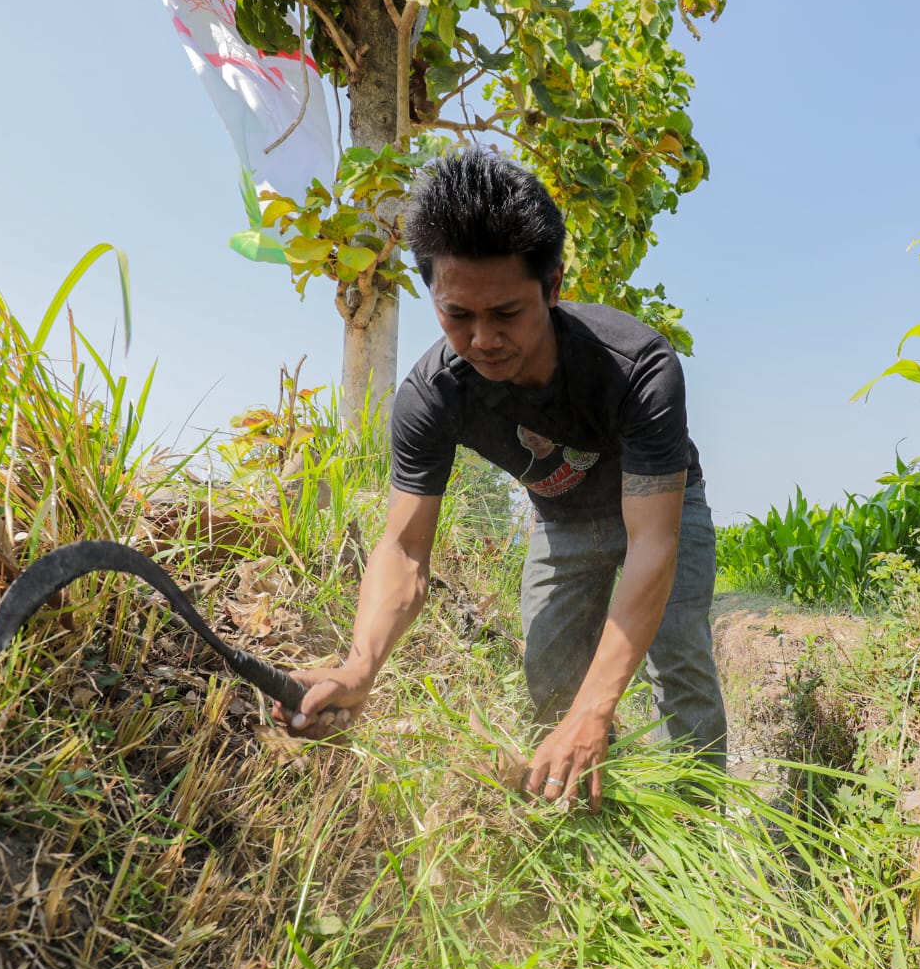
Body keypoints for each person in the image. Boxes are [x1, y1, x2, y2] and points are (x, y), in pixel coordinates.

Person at [274, 147, 727, 813]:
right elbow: (404, 549)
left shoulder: (637, 366)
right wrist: (360, 665)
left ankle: (698, 832)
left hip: (663, 512)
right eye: (458, 315)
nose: (483, 340)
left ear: (552, 286)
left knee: (678, 662)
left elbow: (652, 546)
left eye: (507, 313)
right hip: (562, 520)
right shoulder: (431, 396)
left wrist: (597, 708)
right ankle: (594, 832)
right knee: (550, 683)